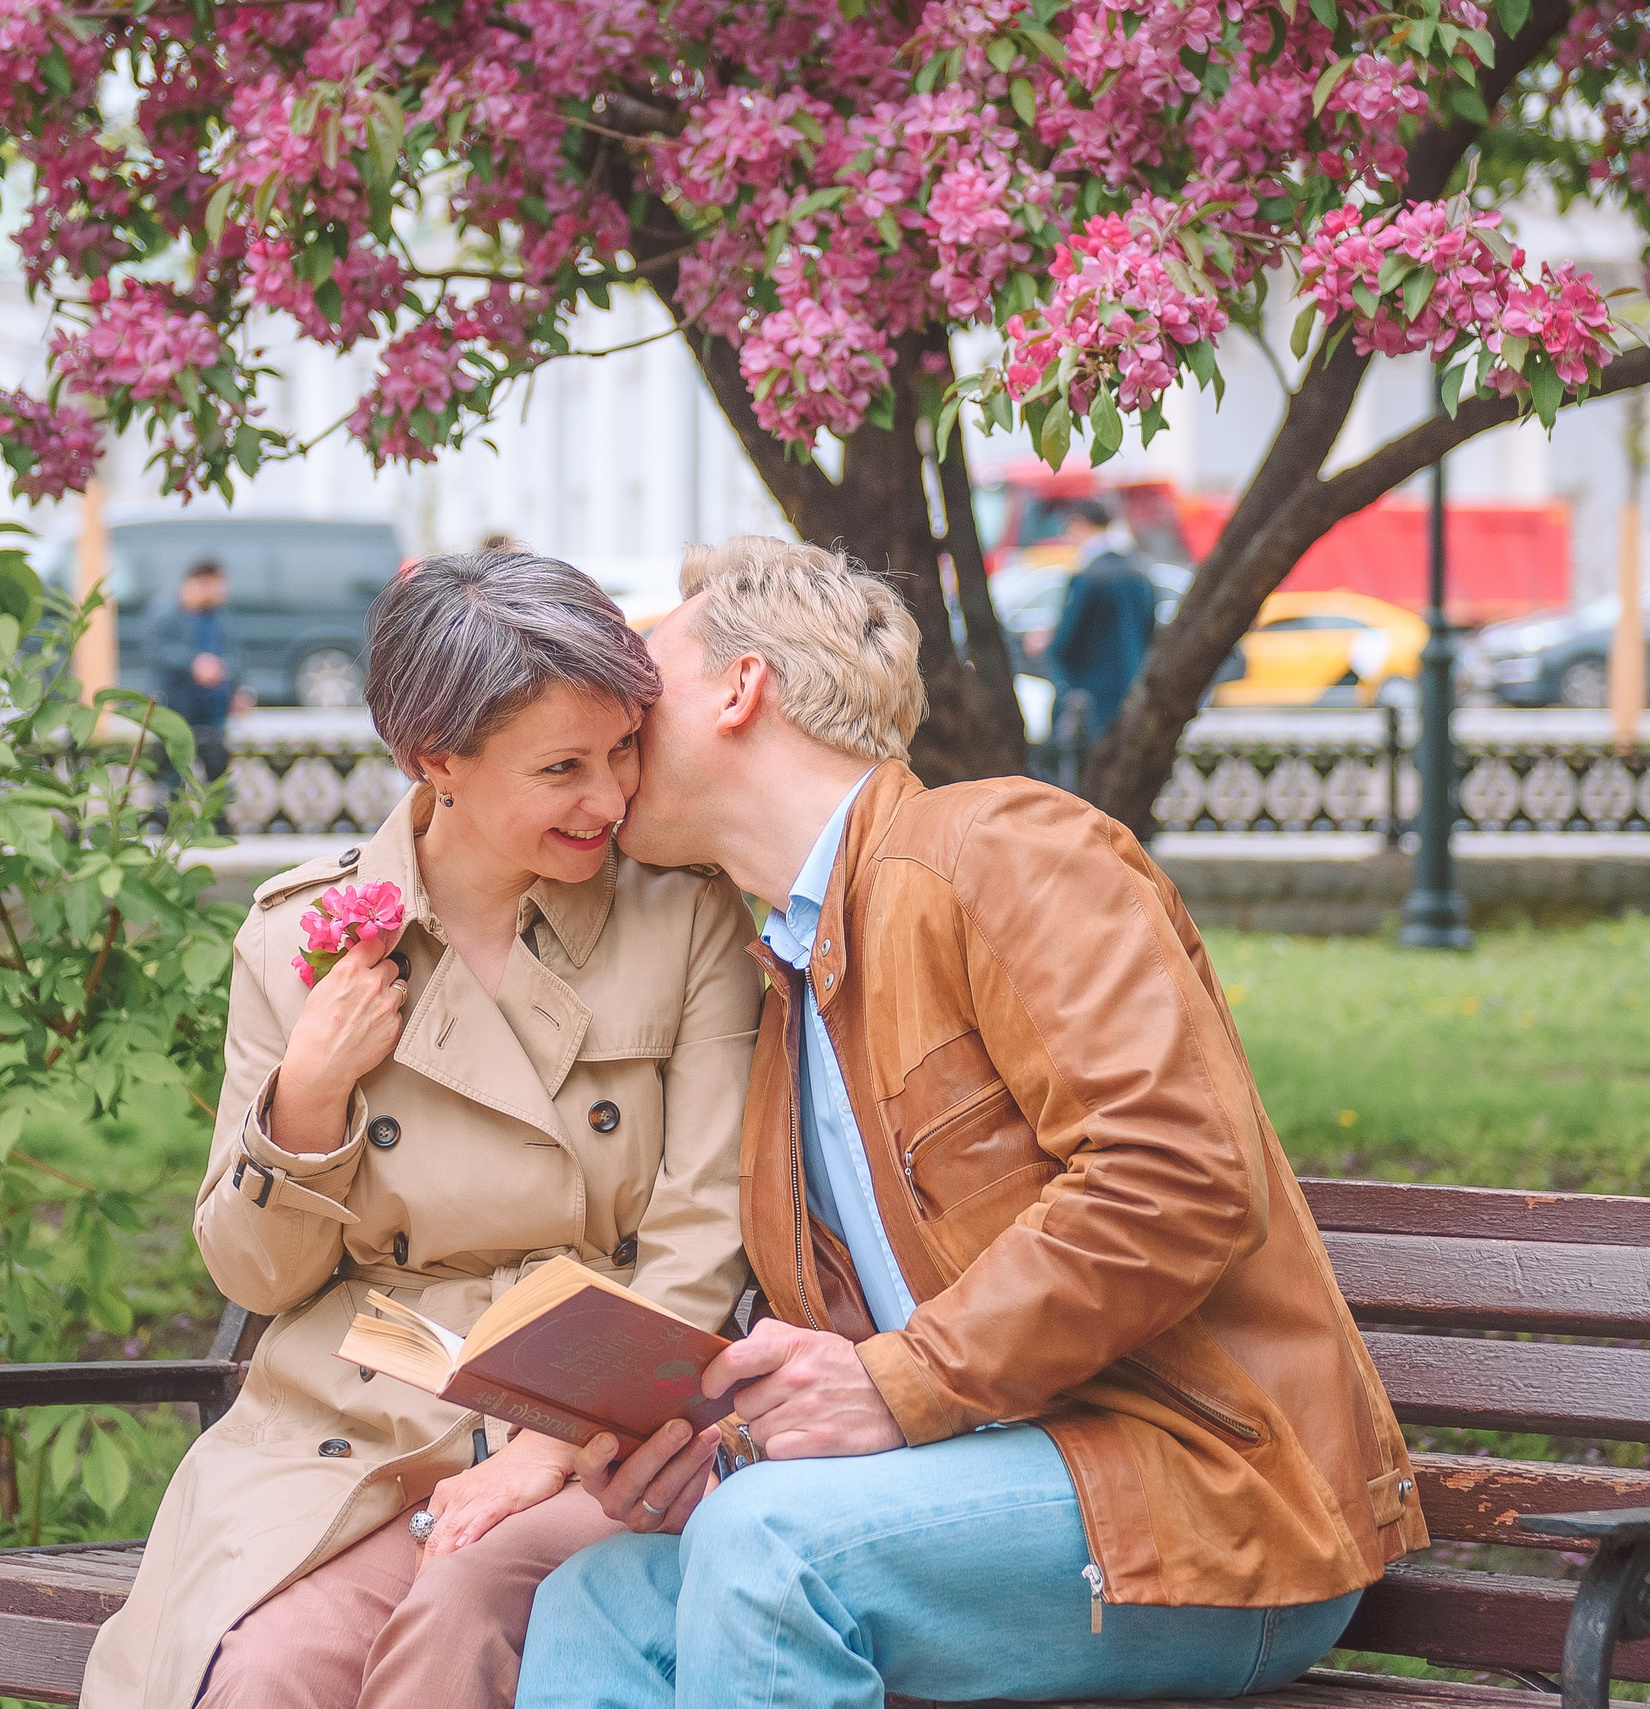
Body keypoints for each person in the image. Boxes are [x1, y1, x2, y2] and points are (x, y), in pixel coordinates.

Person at [522, 537, 1425, 1709]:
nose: (614, 724)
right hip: (978, 1484)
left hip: (1210, 1500)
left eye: (640, 676)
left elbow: (1175, 1180)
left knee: (769, 1546)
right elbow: (866, 1339)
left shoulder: (1003, 848)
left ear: (739, 687)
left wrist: (899, 1384)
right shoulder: (793, 975)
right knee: (592, 1600)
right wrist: (727, 1429)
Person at [82, 550, 765, 1709]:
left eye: (621, 750)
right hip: (358, 1425)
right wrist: (308, 1096)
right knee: (263, 1670)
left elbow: (704, 1229)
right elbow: (255, 1272)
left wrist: (562, 1430)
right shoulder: (307, 937)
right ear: (434, 759)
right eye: (561, 767)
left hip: (601, 1417)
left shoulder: (684, 915)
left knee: (449, 1630)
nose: (608, 798)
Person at [1048, 497, 1158, 738]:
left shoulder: (1088, 577)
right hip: (1135, 684)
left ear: (1079, 524)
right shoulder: (1139, 572)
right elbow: (1150, 628)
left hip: (1091, 693)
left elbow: (1065, 642)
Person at [152, 558, 253, 778]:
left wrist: (240, 688)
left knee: (217, 769)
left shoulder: (223, 618)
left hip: (214, 708)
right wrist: (193, 663)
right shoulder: (167, 614)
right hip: (178, 705)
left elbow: (237, 656)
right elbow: (158, 652)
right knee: (173, 771)